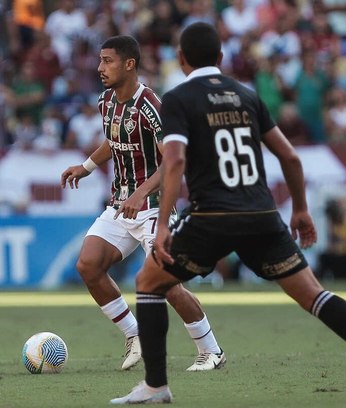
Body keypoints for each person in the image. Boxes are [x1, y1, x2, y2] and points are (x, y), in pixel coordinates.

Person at [110, 22, 346, 404]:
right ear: (221, 58)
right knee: (315, 295)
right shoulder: (246, 95)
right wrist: (302, 210)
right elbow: (290, 156)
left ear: (181, 58)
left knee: (148, 282)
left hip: (212, 217)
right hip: (261, 214)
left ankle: (156, 386)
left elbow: (173, 163)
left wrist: (161, 226)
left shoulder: (179, 98)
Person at [60, 35, 225, 372]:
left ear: (129, 64)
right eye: (100, 60)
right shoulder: (106, 100)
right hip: (121, 204)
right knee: (88, 265)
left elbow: (173, 161)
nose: (100, 67)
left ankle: (212, 350)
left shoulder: (151, 105)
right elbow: (113, 140)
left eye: (108, 61)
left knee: (165, 283)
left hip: (151, 206)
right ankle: (134, 335)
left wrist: (140, 192)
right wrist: (87, 167)